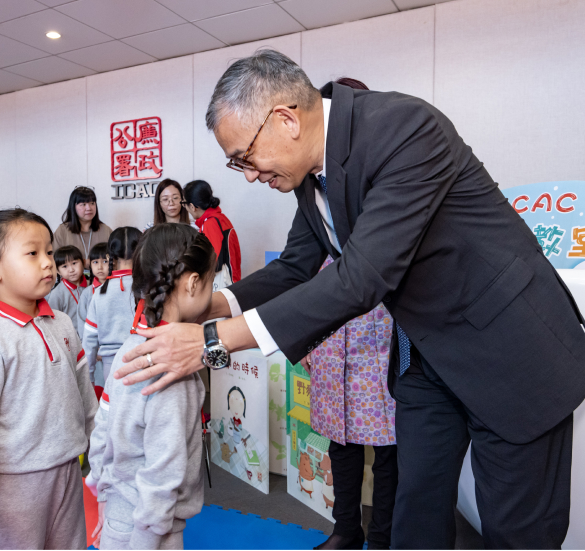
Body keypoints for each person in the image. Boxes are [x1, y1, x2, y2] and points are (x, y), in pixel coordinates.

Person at [116, 50, 585, 549]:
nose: (249, 175)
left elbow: (362, 275)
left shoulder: (404, 128)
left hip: (511, 351)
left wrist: (212, 341)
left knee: (517, 533)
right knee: (416, 515)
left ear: (285, 120)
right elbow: (295, 267)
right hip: (429, 359)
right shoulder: (311, 176)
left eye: (244, 158)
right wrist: (213, 307)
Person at [0, 208, 98, 550]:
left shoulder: (62, 324)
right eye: (32, 253)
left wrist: (101, 451)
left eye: (50, 253)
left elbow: (85, 398)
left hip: (68, 470)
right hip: (12, 486)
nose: (47, 263)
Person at [304, 78, 398, 551]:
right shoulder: (312, 187)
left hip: (378, 333)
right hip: (332, 338)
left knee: (387, 450)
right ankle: (345, 529)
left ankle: (380, 538)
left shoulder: (383, 170)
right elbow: (297, 261)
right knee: (339, 442)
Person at [88, 223, 212, 550]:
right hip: (151, 530)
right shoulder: (175, 372)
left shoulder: (129, 347)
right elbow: (163, 472)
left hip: (117, 511)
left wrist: (101, 494)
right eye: (211, 282)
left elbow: (102, 427)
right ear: (194, 283)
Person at [82, 227, 141, 383]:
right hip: (143, 364)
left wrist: (89, 377)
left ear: (110, 256)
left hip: (110, 370)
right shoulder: (148, 288)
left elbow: (89, 341)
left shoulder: (100, 292)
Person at [183, 179, 242, 290]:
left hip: (222, 286)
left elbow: (210, 261)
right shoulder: (220, 218)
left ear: (192, 206)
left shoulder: (210, 224)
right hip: (232, 283)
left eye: (184, 204)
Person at [54, 186, 112, 269]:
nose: (89, 208)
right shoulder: (62, 231)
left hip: (100, 280)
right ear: (73, 207)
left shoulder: (106, 230)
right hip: (71, 280)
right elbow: (54, 259)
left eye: (92, 203)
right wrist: (82, 262)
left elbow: (115, 259)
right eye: (83, 204)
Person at [79, 242, 109, 386]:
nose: (100, 267)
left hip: (111, 350)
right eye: (95, 262)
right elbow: (82, 323)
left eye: (105, 261)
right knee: (96, 387)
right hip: (93, 352)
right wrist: (94, 349)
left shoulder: (119, 289)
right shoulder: (87, 293)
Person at [48, 245, 87, 337]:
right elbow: (52, 321)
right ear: (58, 271)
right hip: (70, 338)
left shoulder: (91, 287)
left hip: (91, 336)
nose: (71, 270)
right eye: (65, 266)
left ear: (83, 263)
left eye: (74, 263)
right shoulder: (57, 294)